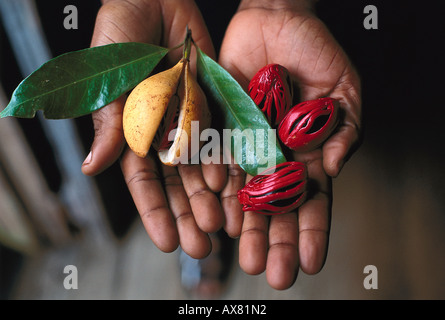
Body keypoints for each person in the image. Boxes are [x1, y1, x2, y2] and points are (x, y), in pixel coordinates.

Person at [81, 0, 361, 294]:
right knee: (212, 161)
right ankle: (216, 222)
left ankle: (221, 224)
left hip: (236, 50)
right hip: (178, 37)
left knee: (221, 153)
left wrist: (278, 5)